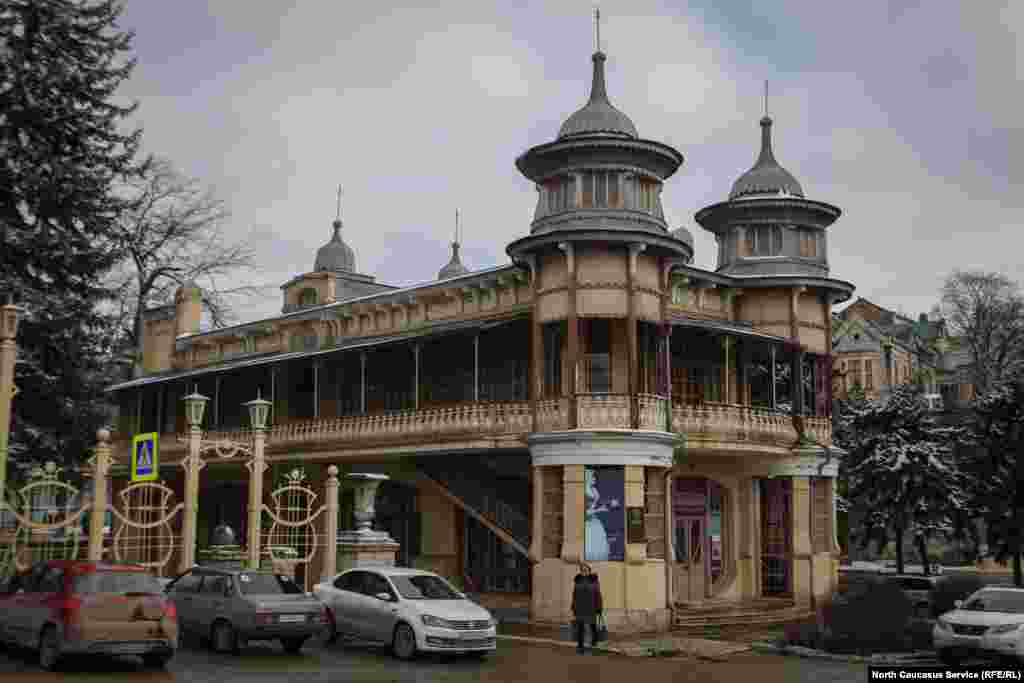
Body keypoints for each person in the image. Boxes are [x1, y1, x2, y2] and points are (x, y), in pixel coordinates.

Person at [571, 566, 602, 654]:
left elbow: (598, 595)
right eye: (582, 570)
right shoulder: (578, 580)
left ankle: (594, 642)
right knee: (580, 628)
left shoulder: (594, 581)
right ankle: (580, 646)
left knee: (593, 626)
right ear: (581, 571)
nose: (584, 571)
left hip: (591, 607)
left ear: (589, 571)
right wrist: (573, 606)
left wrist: (599, 607)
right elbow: (574, 594)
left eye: (586, 570)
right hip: (580, 608)